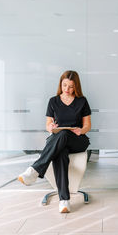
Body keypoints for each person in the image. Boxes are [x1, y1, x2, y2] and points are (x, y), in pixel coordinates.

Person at [18, 70, 91, 213]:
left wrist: (80, 130)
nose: (67, 89)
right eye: (64, 85)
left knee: (64, 134)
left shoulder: (82, 101)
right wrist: (50, 128)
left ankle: (35, 169)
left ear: (76, 86)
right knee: (60, 153)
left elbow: (88, 125)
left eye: (71, 86)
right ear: (60, 84)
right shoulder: (53, 101)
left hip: (77, 140)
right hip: (59, 141)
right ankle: (64, 201)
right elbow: (48, 125)